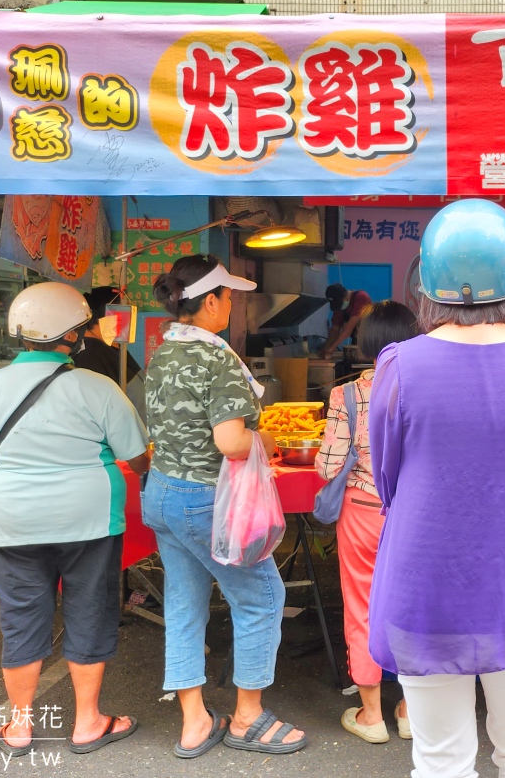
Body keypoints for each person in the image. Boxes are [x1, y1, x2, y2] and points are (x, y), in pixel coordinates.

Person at [369, 199, 505, 778]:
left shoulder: (398, 365)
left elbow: (388, 479)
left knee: (439, 758)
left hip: (426, 580)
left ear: (427, 282)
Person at [0, 282, 150, 757]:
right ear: (76, 335)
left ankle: (18, 726)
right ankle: (87, 722)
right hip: (91, 521)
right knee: (90, 610)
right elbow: (139, 459)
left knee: (21, 618)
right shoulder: (99, 387)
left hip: (11, 521)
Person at [142, 255, 306, 760]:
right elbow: (232, 442)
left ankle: (194, 722)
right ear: (210, 301)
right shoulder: (217, 358)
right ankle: (248, 717)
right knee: (261, 598)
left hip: (163, 494)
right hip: (205, 500)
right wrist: (265, 434)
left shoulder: (164, 351)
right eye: (229, 297)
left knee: (185, 604)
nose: (233, 305)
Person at [315, 301, 419, 744]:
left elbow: (329, 465)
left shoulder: (347, 395)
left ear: (367, 342)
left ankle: (371, 714)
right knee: (415, 608)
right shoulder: (427, 390)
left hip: (361, 514)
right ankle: (412, 711)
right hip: (415, 517)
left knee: (362, 609)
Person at [72, 286, 146, 420]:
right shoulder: (92, 354)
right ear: (105, 316)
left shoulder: (111, 347)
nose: (128, 321)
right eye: (122, 314)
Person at [318, 283, 372, 359]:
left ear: (346, 295)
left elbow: (348, 330)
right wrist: (326, 349)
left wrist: (332, 348)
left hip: (370, 340)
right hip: (356, 341)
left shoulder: (361, 298)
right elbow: (335, 329)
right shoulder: (339, 305)